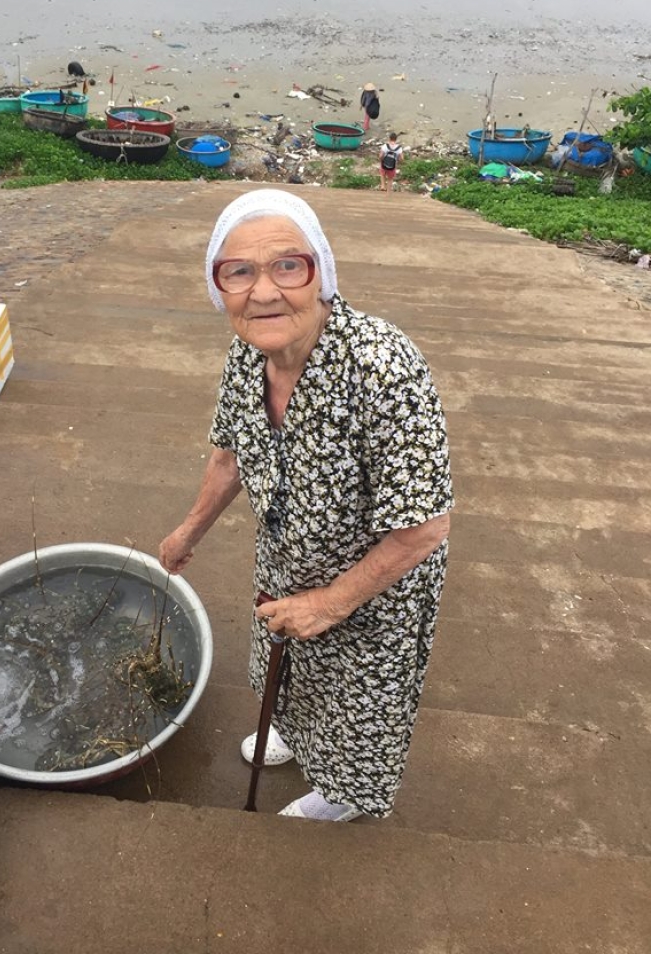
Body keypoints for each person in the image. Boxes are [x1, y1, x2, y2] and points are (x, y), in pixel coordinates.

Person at [158, 189, 452, 822]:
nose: (263, 292)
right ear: (219, 287)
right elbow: (231, 454)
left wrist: (330, 602)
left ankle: (342, 793)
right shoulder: (249, 351)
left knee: (356, 696)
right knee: (284, 658)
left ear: (321, 273)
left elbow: (424, 529)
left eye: (288, 266)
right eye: (239, 272)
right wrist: (189, 531)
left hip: (375, 583)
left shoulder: (383, 366)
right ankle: (292, 729)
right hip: (287, 555)